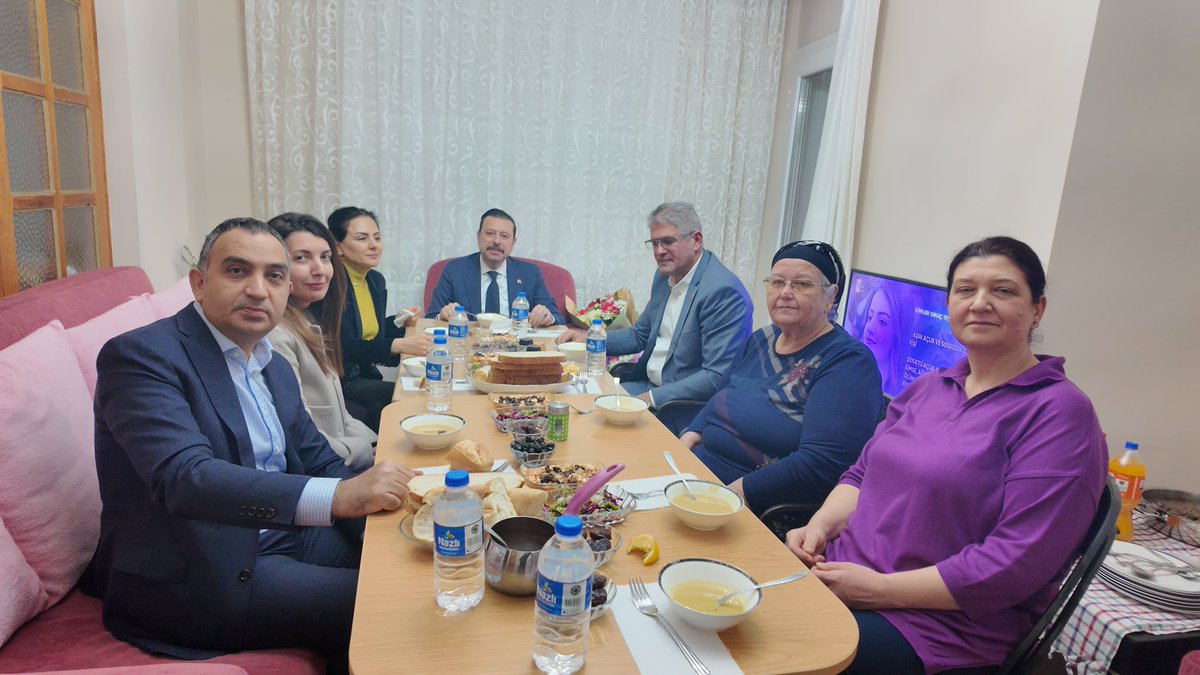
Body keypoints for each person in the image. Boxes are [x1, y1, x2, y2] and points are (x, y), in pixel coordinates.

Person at [92, 218, 419, 667]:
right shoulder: (142, 357)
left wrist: (378, 521)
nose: (258, 290)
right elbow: (185, 479)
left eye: (274, 276)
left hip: (287, 533)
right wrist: (343, 496)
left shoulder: (271, 363)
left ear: (287, 293)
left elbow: (320, 461)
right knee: (396, 605)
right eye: (237, 271)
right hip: (203, 568)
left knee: (413, 563)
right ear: (200, 283)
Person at [785, 236, 1108, 674]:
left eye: (1003, 290)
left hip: (937, 629)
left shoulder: (1059, 413)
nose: (980, 303)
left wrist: (880, 590)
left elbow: (1014, 562)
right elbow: (862, 475)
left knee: (773, 649)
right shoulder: (930, 387)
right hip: (845, 577)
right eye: (965, 289)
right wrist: (819, 526)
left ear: (1038, 310)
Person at [680, 241, 884, 515]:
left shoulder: (848, 363)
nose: (785, 293)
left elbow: (820, 465)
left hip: (756, 508)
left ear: (831, 296)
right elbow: (722, 394)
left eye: (801, 284)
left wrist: (731, 496)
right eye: (777, 282)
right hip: (697, 481)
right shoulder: (762, 338)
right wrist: (689, 436)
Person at [559, 201, 752, 432]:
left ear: (696, 240)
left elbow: (715, 376)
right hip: (645, 387)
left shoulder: (722, 292)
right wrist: (589, 340)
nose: (659, 251)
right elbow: (641, 335)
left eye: (668, 241)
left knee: (592, 428)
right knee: (571, 404)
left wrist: (650, 398)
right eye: (655, 243)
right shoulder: (664, 277)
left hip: (681, 407)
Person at [267, 212, 377, 471]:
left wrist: (378, 446)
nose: (320, 270)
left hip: (344, 456)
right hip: (326, 472)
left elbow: (341, 418)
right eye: (302, 258)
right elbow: (302, 440)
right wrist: (370, 455)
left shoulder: (309, 321)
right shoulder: (276, 337)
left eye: (325, 257)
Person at [329, 206, 429, 432]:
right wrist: (400, 344)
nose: (374, 245)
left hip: (365, 375)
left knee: (417, 391)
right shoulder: (332, 285)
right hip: (341, 381)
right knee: (412, 398)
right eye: (362, 238)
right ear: (338, 247)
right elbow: (344, 346)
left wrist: (397, 321)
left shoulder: (374, 280)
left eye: (377, 237)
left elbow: (368, 331)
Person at [426, 208, 563, 326]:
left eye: (504, 236)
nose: (496, 241)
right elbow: (431, 317)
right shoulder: (455, 270)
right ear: (478, 237)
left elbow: (557, 318)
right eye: (490, 234)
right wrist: (443, 315)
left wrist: (546, 316)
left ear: (513, 243)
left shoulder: (530, 273)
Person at [850, 281, 914, 397]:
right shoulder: (848, 371)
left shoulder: (905, 394)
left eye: (882, 322)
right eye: (870, 317)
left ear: (899, 333)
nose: (869, 327)